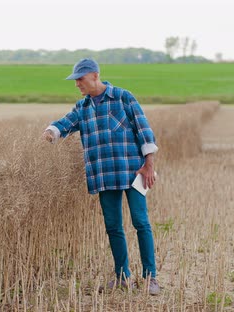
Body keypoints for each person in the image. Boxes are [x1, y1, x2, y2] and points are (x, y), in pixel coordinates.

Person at [42, 58, 160, 295]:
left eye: (80, 79)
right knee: (113, 226)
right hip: (104, 175)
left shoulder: (123, 97)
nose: (77, 84)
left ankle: (151, 278)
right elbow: (66, 123)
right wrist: (51, 130)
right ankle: (122, 277)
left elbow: (144, 130)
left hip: (133, 171)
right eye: (75, 80)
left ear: (95, 75)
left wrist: (149, 164)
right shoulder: (82, 107)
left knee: (141, 222)